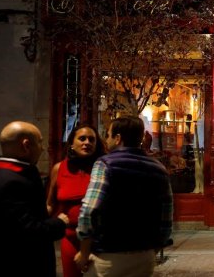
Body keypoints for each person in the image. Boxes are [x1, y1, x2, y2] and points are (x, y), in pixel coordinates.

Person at [74, 116, 173, 276]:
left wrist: (84, 251)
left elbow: (89, 211)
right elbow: (166, 217)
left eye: (108, 135)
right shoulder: (159, 168)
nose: (106, 140)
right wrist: (153, 250)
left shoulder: (105, 164)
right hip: (145, 256)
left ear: (118, 138)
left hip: (109, 255)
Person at [0, 121, 69, 277]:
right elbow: (29, 234)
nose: (42, 148)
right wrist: (59, 222)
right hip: (19, 269)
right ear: (26, 145)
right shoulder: (13, 183)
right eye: (40, 142)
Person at [46, 123, 106, 277]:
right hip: (70, 238)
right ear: (72, 144)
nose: (87, 142)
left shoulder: (103, 168)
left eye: (92, 140)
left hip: (99, 239)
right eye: (82, 138)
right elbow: (50, 203)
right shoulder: (59, 168)